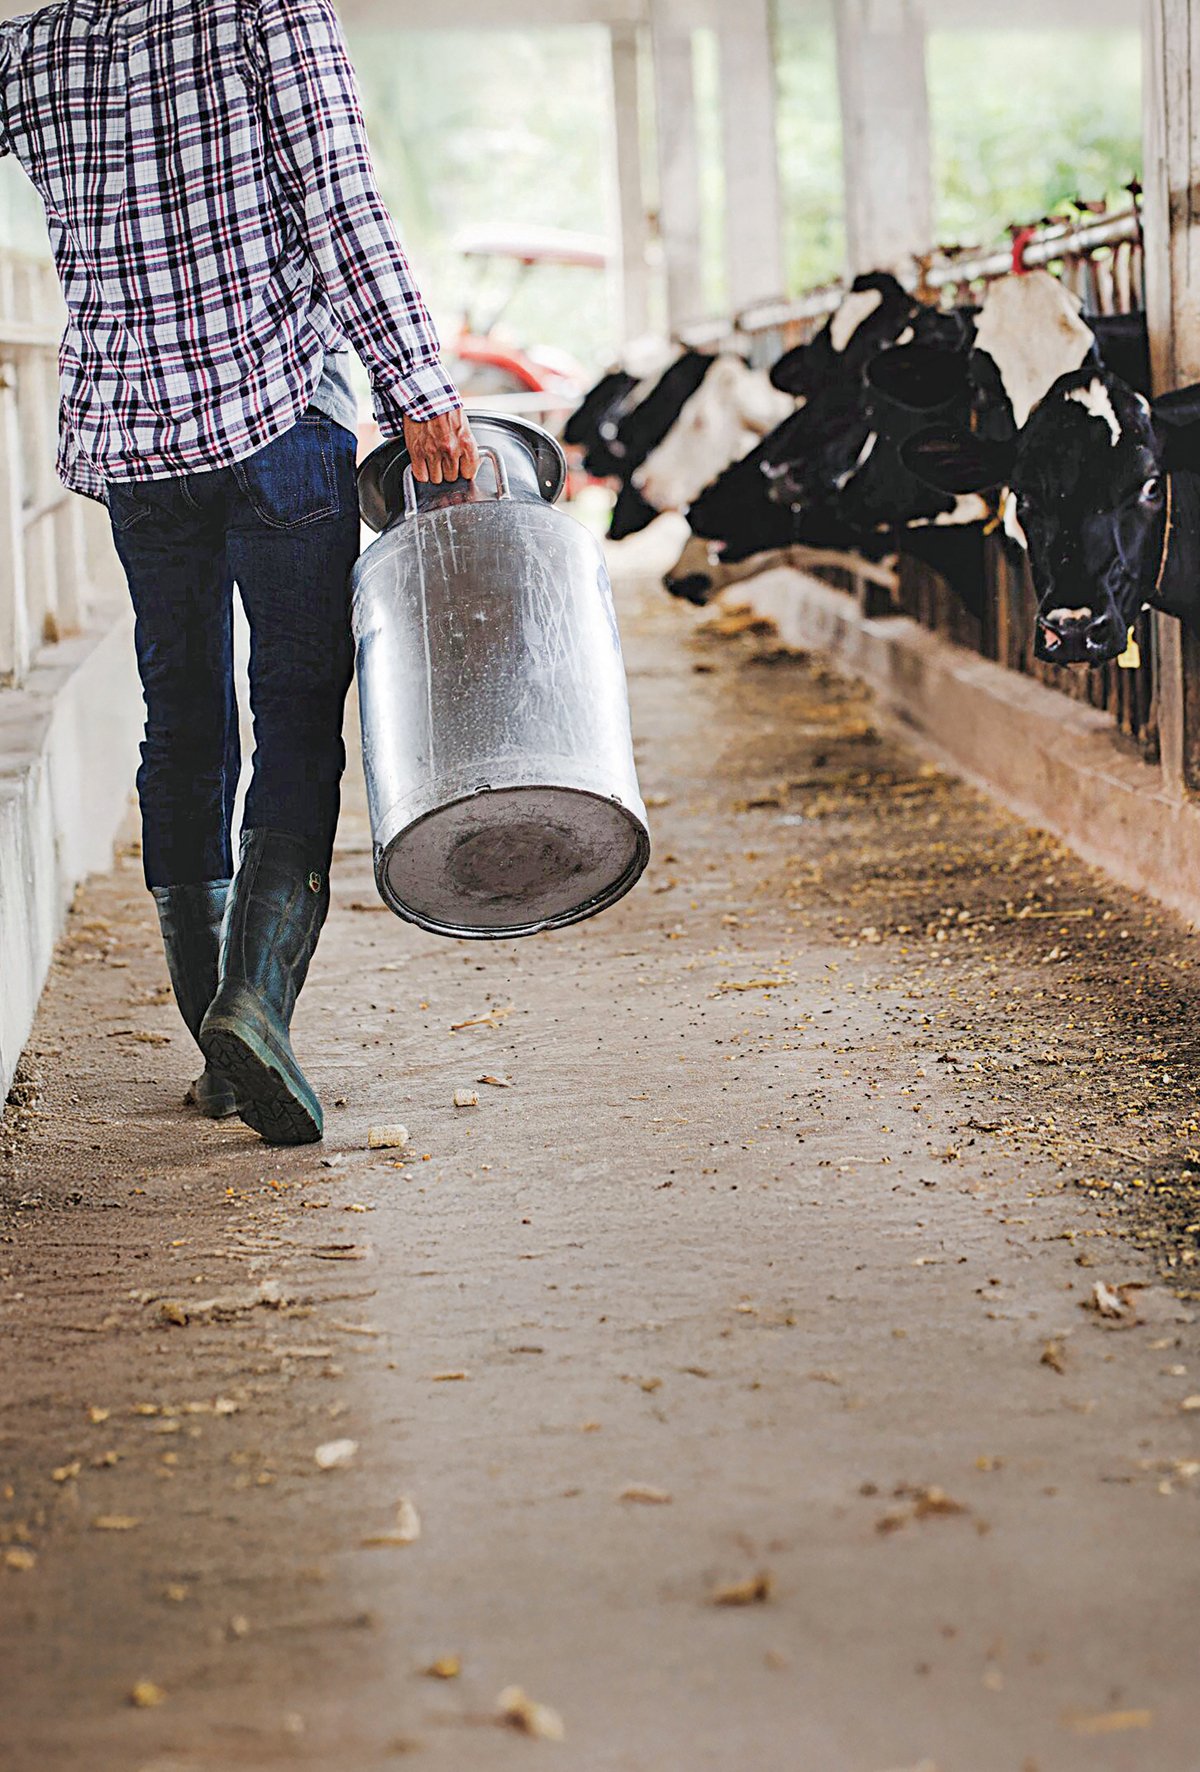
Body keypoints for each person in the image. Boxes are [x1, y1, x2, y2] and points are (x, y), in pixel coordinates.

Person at [0, 0, 479, 1146]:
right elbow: (344, 203)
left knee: (183, 724)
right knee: (301, 714)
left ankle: (216, 1057)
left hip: (135, 441)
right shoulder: (268, 10)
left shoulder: (33, 47)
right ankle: (254, 1002)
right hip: (279, 425)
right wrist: (420, 386)